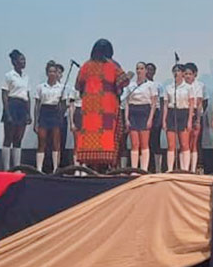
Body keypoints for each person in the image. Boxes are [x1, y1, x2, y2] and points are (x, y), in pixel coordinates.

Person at [74, 39, 132, 170]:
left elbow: (78, 85)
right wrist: (129, 75)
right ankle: (106, 166)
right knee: (108, 135)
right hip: (107, 108)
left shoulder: (86, 66)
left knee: (89, 136)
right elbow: (123, 81)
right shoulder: (112, 65)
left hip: (89, 109)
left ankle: (90, 166)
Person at [123, 62, 158, 171]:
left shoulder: (151, 85)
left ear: (146, 71)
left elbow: (153, 104)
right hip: (133, 113)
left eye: (142, 68)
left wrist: (150, 119)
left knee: (144, 143)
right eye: (137, 68)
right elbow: (127, 103)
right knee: (134, 143)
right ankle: (134, 169)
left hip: (145, 112)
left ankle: (143, 169)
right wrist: (126, 119)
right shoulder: (131, 85)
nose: (139, 71)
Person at [0, 49, 31, 170]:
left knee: (18, 138)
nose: (24, 62)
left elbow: (27, 96)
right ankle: (6, 168)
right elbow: (4, 94)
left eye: (24, 60)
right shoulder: (9, 76)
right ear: (14, 62)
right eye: (21, 60)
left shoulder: (26, 77)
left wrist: (28, 113)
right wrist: (7, 112)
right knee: (9, 137)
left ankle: (16, 167)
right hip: (12, 104)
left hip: (22, 106)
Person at [33, 61, 65, 173]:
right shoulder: (40, 87)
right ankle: (39, 169)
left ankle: (56, 168)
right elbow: (37, 105)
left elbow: (64, 104)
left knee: (56, 142)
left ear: (57, 73)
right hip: (44, 112)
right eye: (50, 71)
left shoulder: (61, 88)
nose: (52, 73)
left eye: (54, 71)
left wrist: (60, 114)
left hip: (55, 112)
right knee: (42, 141)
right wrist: (35, 121)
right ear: (47, 73)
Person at [163, 64, 193, 172]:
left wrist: (189, 120)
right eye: (174, 71)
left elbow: (191, 105)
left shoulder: (189, 87)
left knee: (184, 144)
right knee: (171, 144)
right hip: (172, 113)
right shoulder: (169, 87)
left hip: (183, 113)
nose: (176, 73)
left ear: (183, 73)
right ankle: (170, 169)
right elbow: (166, 105)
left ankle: (185, 169)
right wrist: (164, 120)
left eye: (179, 71)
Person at [184, 62, 205, 173]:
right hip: (183, 114)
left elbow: (200, 102)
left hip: (196, 114)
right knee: (185, 143)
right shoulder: (181, 86)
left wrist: (197, 119)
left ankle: (195, 167)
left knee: (195, 142)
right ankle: (185, 168)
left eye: (190, 74)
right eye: (185, 74)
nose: (187, 76)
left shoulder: (199, 86)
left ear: (194, 74)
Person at [146, 62, 164, 172]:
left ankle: (157, 168)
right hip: (145, 112)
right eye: (147, 69)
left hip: (156, 113)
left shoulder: (158, 85)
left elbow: (162, 102)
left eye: (152, 69)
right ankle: (147, 166)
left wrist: (161, 118)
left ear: (155, 72)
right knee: (145, 142)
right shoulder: (140, 85)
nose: (149, 71)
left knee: (155, 141)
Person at [65, 74, 83, 165]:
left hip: (87, 114)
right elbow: (71, 106)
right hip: (78, 113)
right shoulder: (74, 89)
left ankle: (84, 166)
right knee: (77, 142)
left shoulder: (89, 88)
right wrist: (71, 122)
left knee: (85, 143)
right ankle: (76, 166)